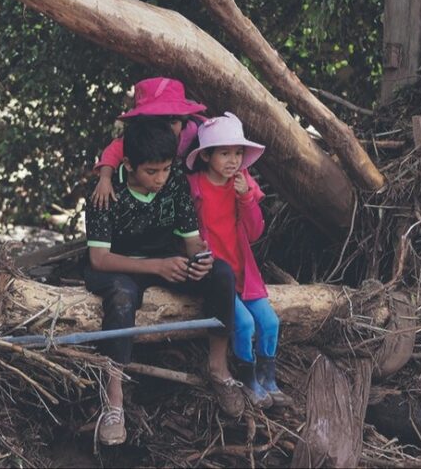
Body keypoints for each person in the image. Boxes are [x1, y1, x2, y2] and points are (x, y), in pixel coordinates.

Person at [85, 118, 245, 446]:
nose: (161, 179)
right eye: (151, 172)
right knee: (121, 297)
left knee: (222, 274)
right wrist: (156, 267)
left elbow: (191, 241)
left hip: (164, 259)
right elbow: (99, 259)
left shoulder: (175, 184)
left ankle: (219, 368)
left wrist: (201, 261)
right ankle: (113, 398)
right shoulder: (106, 192)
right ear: (128, 165)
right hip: (119, 266)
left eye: (166, 169)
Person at [186, 112, 292, 409]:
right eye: (224, 153)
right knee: (244, 323)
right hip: (216, 276)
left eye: (237, 153)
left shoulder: (242, 183)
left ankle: (267, 378)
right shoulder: (194, 186)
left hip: (244, 273)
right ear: (206, 155)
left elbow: (256, 232)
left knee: (269, 322)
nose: (233, 160)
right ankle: (249, 381)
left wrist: (246, 198)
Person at [90, 77, 207, 210]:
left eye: (173, 122)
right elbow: (112, 155)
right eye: (159, 122)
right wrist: (105, 179)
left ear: (184, 120)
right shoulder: (138, 140)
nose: (167, 128)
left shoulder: (194, 131)